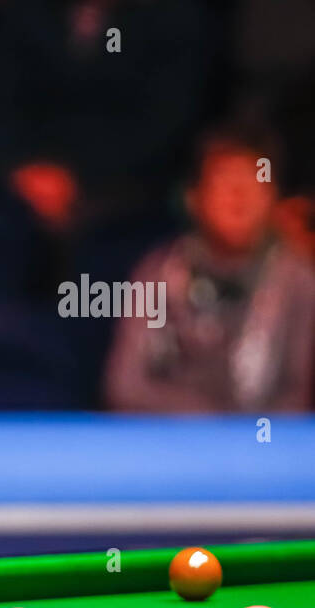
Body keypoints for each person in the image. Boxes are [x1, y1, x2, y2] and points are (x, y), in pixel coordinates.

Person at [104, 127, 315, 412]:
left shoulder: (298, 282)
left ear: (273, 195)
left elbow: (297, 397)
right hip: (172, 441)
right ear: (194, 198)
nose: (239, 197)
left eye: (254, 180)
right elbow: (125, 385)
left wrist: (245, 439)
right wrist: (207, 426)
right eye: (225, 181)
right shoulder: (158, 272)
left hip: (263, 445)